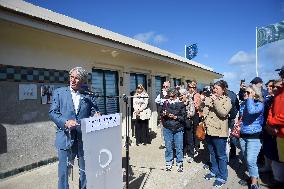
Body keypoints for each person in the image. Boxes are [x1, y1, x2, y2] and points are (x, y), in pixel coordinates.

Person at [49, 67, 100, 189]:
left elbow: (93, 109)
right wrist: (65, 122)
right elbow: (52, 112)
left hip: (83, 138)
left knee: (85, 170)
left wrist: (96, 114)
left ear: (82, 80)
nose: (73, 80)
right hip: (65, 137)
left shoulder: (88, 94)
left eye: (76, 78)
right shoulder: (59, 92)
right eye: (71, 77)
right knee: (64, 172)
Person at [200, 80, 232, 188]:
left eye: (217, 88)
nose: (214, 90)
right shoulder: (209, 98)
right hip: (209, 131)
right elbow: (204, 112)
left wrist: (216, 101)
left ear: (223, 90)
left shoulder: (227, 100)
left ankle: (222, 176)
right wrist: (202, 102)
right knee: (212, 153)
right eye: (214, 88)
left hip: (219, 132)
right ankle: (214, 171)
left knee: (221, 155)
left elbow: (223, 113)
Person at [239, 85, 264, 189]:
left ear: (255, 94)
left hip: (254, 137)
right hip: (243, 135)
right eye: (245, 92)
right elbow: (243, 117)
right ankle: (252, 176)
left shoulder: (260, 104)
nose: (246, 94)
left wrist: (250, 99)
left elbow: (251, 111)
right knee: (246, 158)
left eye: (248, 92)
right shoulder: (243, 104)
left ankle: (254, 182)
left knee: (251, 160)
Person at [161, 88, 186, 172]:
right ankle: (169, 161)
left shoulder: (181, 104)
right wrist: (163, 114)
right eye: (169, 96)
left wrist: (175, 117)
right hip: (167, 127)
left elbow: (184, 118)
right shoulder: (165, 103)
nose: (170, 98)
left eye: (172, 96)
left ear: (176, 95)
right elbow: (161, 112)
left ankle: (179, 162)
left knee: (179, 147)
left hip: (178, 128)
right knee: (168, 146)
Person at [267, 67, 284, 187]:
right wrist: (270, 123)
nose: (281, 78)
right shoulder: (278, 93)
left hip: (280, 131)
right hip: (279, 134)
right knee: (280, 160)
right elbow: (271, 110)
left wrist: (272, 122)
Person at [179, 88, 195, 163]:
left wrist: (184, 114)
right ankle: (184, 153)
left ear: (185, 95)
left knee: (189, 139)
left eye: (182, 95)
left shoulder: (190, 101)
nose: (181, 96)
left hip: (188, 122)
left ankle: (191, 154)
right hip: (180, 122)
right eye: (180, 95)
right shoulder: (179, 101)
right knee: (182, 138)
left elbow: (192, 113)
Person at [155, 81, 170, 148]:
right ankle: (163, 143)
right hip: (161, 114)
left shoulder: (171, 94)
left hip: (169, 114)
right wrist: (163, 100)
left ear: (169, 87)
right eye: (164, 86)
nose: (165, 88)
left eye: (166, 86)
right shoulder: (160, 94)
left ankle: (170, 143)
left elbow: (169, 102)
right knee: (162, 129)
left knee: (169, 129)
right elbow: (156, 100)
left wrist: (162, 100)